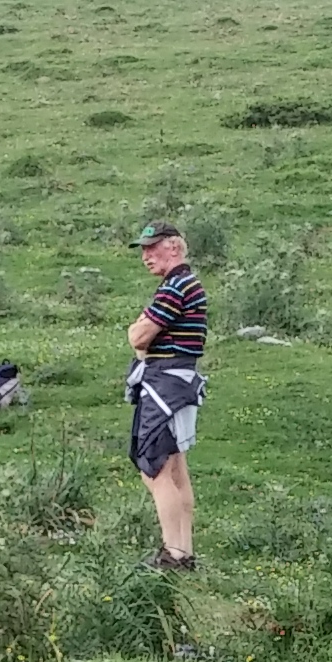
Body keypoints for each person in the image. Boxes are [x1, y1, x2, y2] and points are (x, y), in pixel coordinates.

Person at [122, 219, 204, 571]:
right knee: (175, 468)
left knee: (155, 470)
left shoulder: (174, 288)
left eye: (152, 247)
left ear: (174, 246)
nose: (146, 255)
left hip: (164, 385)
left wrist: (138, 332)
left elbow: (139, 337)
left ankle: (173, 553)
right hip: (181, 381)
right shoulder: (187, 284)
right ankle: (184, 551)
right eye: (143, 249)